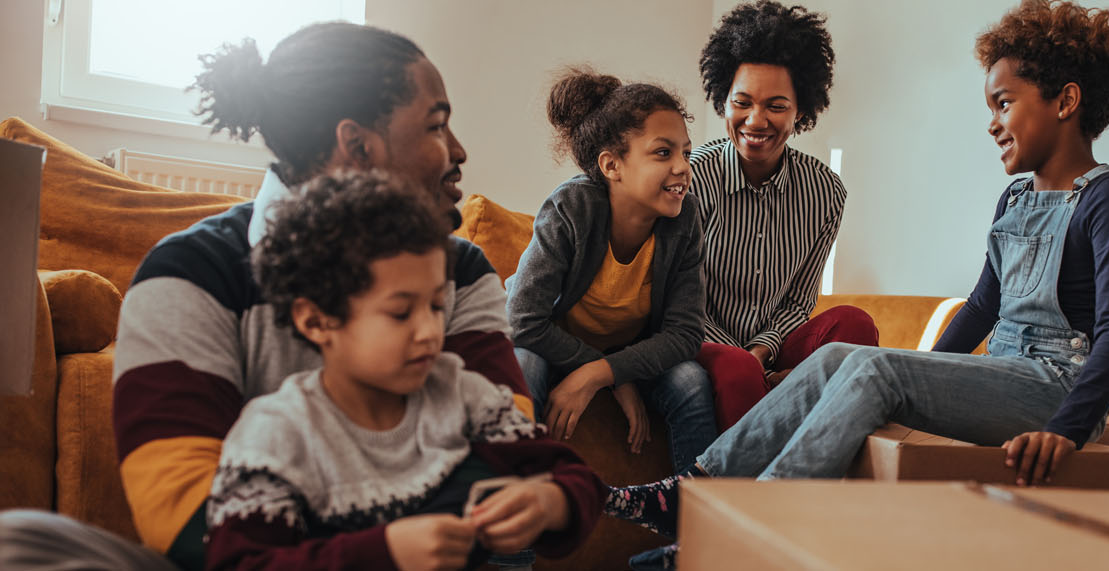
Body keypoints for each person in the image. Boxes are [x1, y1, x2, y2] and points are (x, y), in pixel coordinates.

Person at [0, 23, 603, 571]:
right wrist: (385, 545)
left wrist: (533, 499)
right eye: (436, 124)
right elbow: (191, 525)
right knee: (22, 544)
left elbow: (506, 470)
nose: (459, 151)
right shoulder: (186, 272)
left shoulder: (460, 269)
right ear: (358, 146)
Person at [609, 1, 1109, 568]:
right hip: (1004, 372)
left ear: (1065, 101)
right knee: (841, 355)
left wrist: (1068, 428)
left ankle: (738, 536)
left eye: (1004, 103)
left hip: (1056, 385)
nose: (992, 122)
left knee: (875, 363)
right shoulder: (1014, 199)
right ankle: (692, 489)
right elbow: (984, 305)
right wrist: (930, 378)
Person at [208, 170, 583, 570]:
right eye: (400, 312)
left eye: (437, 307)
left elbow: (573, 476)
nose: (429, 332)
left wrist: (553, 501)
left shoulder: (462, 393)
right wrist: (384, 552)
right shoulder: (276, 432)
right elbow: (239, 562)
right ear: (316, 321)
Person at [506, 69, 717, 473]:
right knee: (522, 365)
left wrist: (603, 373)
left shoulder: (683, 219)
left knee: (690, 382)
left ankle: (694, 526)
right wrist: (607, 375)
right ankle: (516, 527)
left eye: (686, 153)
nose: (682, 167)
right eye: (663, 153)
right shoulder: (571, 209)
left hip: (623, 354)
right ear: (611, 165)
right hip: (552, 346)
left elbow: (686, 334)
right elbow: (523, 320)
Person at [690, 0, 879, 430]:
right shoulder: (692, 180)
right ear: (723, 102)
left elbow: (798, 301)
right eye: (742, 102)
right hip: (702, 339)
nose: (755, 120)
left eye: (776, 105)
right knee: (736, 370)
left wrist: (762, 350)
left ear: (801, 111)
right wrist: (743, 359)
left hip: (773, 349)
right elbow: (680, 300)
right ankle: (759, 487)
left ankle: (783, 390)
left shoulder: (826, 192)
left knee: (855, 325)